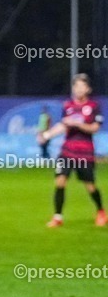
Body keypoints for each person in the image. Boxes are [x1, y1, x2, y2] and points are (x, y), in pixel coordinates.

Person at [38, 73, 106, 228]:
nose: (78, 89)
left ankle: (101, 211)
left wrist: (77, 124)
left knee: (90, 185)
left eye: (82, 86)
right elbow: (63, 125)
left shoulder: (94, 106)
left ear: (88, 89)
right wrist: (47, 135)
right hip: (67, 151)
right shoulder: (67, 106)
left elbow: (95, 128)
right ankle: (57, 217)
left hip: (85, 152)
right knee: (60, 181)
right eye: (76, 86)